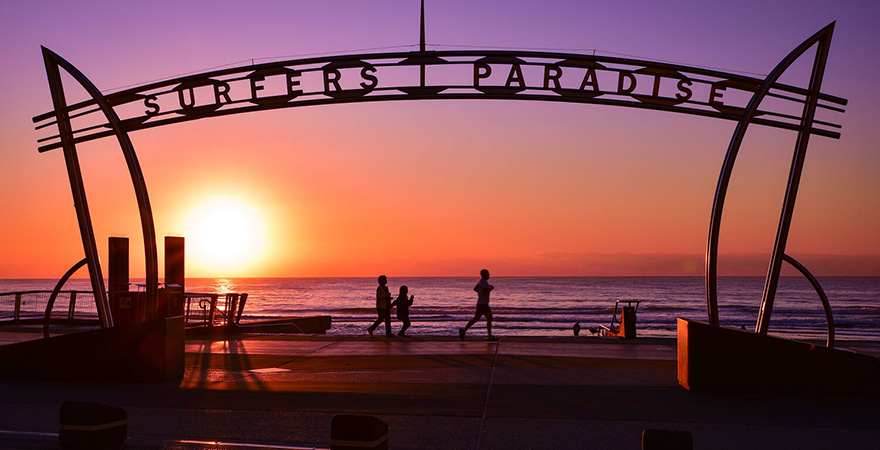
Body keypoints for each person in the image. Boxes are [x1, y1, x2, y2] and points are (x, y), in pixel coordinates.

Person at [459, 269, 497, 340]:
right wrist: (491, 288)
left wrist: (480, 292)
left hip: (480, 303)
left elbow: (475, 289)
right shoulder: (484, 282)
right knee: (489, 318)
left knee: (476, 319)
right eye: (487, 274)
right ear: (484, 275)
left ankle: (464, 330)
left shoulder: (481, 282)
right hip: (483, 304)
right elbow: (485, 291)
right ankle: (489, 335)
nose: (489, 275)